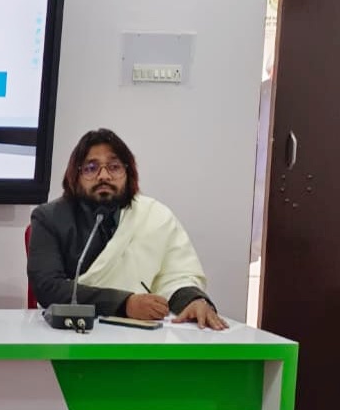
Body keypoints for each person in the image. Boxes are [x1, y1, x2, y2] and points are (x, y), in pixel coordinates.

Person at [27, 128, 227, 330]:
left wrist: (194, 301)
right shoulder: (48, 218)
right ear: (75, 175)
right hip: (70, 333)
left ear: (128, 172)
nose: (103, 176)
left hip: (142, 335)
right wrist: (124, 304)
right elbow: (48, 287)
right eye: (91, 168)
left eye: (114, 167)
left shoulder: (154, 216)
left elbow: (176, 276)